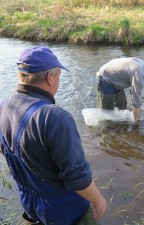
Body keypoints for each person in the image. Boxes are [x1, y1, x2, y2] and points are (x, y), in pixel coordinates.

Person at [0, 46, 107, 224]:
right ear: (50, 77)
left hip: (28, 202)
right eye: (58, 75)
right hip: (63, 210)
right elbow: (76, 177)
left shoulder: (4, 105)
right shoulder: (55, 117)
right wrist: (98, 200)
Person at [96, 57, 144, 124]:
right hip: (106, 79)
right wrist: (136, 122)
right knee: (107, 111)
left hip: (117, 79)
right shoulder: (139, 73)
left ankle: (119, 127)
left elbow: (136, 93)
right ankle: (106, 130)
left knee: (122, 106)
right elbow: (135, 99)